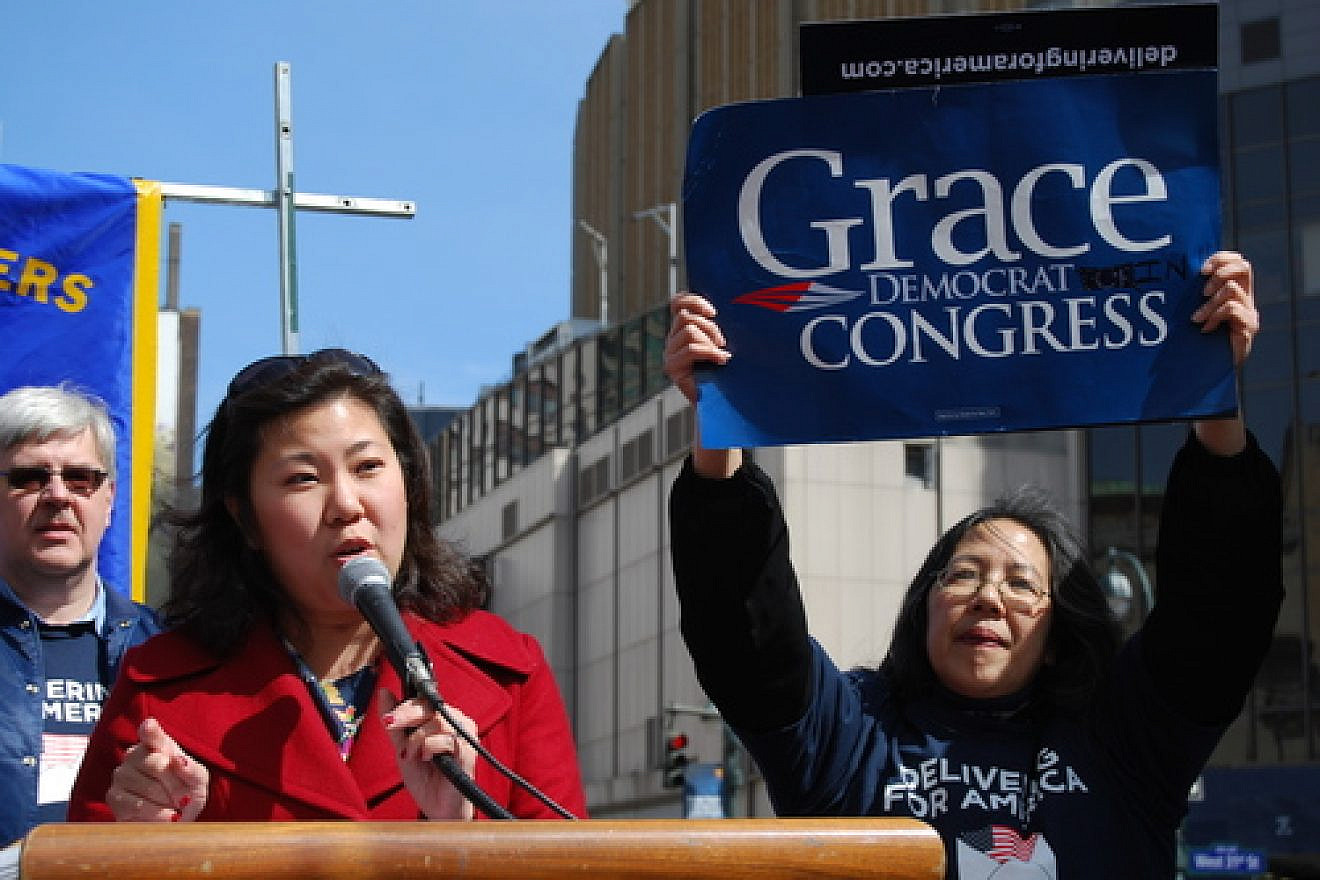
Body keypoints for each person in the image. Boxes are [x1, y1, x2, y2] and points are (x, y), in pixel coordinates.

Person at [664, 251, 1281, 878]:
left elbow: (1219, 610)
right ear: (923, 604)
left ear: (1059, 628)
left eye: (1022, 584)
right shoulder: (851, 737)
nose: (990, 597)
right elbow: (748, 636)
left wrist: (1213, 391)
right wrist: (720, 426)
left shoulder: (1123, 741)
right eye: (963, 574)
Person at [66, 349, 586, 822]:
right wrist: (147, 846)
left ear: (409, 486)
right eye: (303, 478)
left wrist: (457, 832)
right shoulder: (160, 687)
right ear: (244, 518)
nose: (347, 504)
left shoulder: (508, 669)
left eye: (368, 468)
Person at [0, 385, 161, 846]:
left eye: (79, 479)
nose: (57, 496)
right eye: (29, 478)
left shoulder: (169, 652)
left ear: (109, 499)